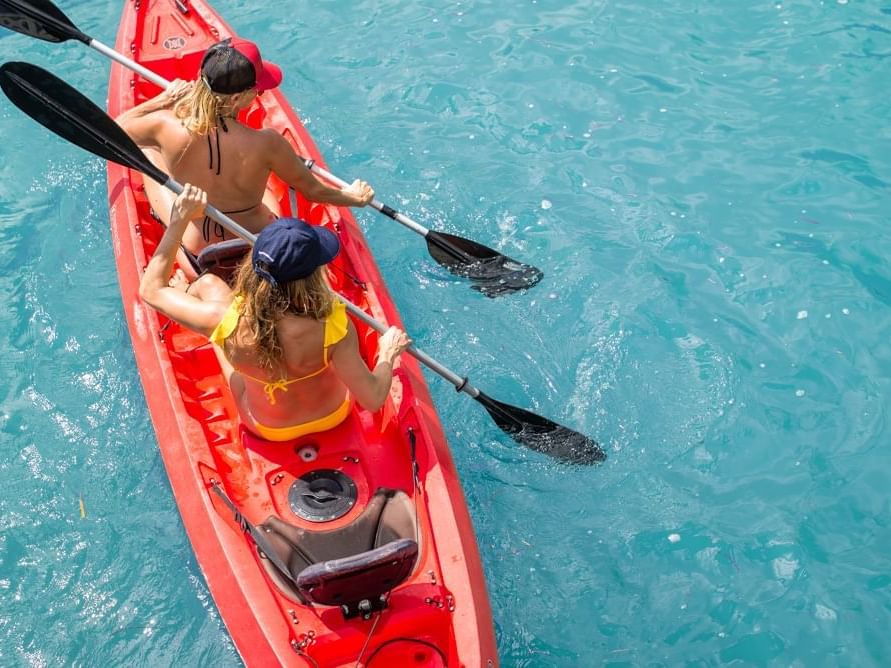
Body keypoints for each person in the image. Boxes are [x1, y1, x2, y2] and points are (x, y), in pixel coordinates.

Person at [139, 184, 411, 441]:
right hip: (334, 415)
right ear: (312, 275)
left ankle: (190, 294)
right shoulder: (334, 321)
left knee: (210, 291)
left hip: (267, 427)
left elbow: (150, 291)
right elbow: (373, 398)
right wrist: (387, 354)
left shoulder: (223, 318)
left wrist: (180, 220)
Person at [118, 37, 374, 279]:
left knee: (149, 152)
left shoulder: (165, 127)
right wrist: (353, 197)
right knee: (263, 189)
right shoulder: (268, 143)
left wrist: (161, 101)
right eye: (257, 90)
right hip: (260, 245)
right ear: (237, 98)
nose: (260, 95)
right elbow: (315, 191)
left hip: (200, 255)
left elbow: (116, 127)